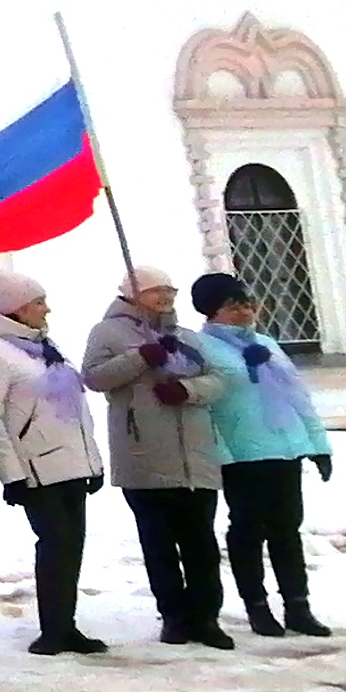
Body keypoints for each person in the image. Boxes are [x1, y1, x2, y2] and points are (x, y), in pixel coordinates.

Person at [82, 265, 234, 650]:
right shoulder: (108, 333)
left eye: (170, 291)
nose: (165, 298)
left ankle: (206, 617)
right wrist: (141, 358)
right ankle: (174, 616)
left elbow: (218, 380)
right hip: (144, 455)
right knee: (160, 545)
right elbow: (95, 378)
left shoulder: (185, 337)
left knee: (201, 544)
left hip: (195, 457)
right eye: (156, 291)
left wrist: (187, 390)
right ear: (133, 295)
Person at [0, 270, 110, 656]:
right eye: (38, 302)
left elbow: (75, 410)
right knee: (55, 543)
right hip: (36, 468)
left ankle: (67, 624)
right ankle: (53, 629)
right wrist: (11, 474)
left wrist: (92, 460)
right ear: (17, 309)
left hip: (71, 464)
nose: (47, 310)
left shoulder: (44, 347)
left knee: (71, 546)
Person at [191, 273, 336, 639]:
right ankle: (257, 606)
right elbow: (204, 408)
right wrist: (219, 454)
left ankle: (298, 606)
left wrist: (318, 445)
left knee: (287, 530)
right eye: (232, 305)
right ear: (211, 311)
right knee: (247, 531)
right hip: (242, 454)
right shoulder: (201, 348)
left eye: (247, 303)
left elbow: (297, 396)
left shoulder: (267, 343)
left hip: (285, 449)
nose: (244, 311)